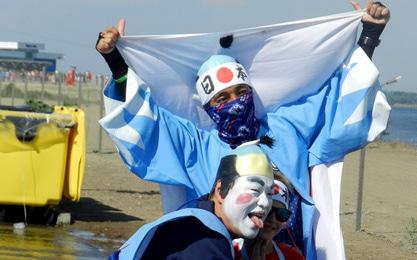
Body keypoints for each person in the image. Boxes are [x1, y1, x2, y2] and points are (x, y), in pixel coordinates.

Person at [97, 1, 390, 258]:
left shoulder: (288, 128)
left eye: (240, 92)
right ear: (209, 106)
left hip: (290, 252)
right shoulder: (198, 147)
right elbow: (149, 124)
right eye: (222, 98)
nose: (235, 103)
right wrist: (116, 61)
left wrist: (369, 34)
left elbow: (335, 100)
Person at [110, 142, 275, 259]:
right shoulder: (205, 242)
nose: (265, 203)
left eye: (269, 194)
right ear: (220, 191)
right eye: (255, 190)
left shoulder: (194, 216)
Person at [239, 173, 305, 260]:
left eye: (281, 213)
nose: (273, 220)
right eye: (268, 210)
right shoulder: (227, 250)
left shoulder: (294, 257)